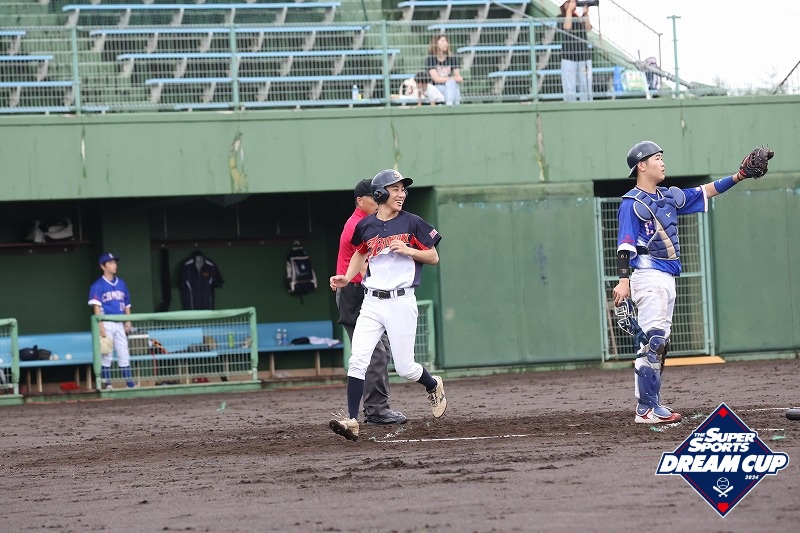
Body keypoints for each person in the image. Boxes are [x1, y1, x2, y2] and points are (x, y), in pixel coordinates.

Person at [612, 141, 768, 423]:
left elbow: (706, 191)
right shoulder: (631, 202)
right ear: (641, 166)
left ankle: (650, 405)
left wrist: (740, 175)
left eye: (662, 157)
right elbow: (625, 244)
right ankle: (646, 409)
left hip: (667, 276)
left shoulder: (668, 197)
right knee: (652, 342)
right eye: (656, 158)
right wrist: (624, 281)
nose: (662, 162)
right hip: (647, 275)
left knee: (660, 344)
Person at [328, 169, 446, 441]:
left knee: (405, 368)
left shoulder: (412, 222)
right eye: (395, 189)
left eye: (403, 190)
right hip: (371, 301)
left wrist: (409, 250)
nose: (401, 194)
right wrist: (346, 277)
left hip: (400, 302)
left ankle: (433, 384)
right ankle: (352, 421)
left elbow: (433, 256)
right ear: (380, 193)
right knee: (358, 360)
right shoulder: (366, 225)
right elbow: (360, 252)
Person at [335, 179, 407, 425]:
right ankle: (376, 410)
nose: (378, 200)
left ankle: (376, 408)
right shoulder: (359, 224)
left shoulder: (370, 222)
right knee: (374, 354)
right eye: (373, 196)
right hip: (354, 293)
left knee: (381, 351)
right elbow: (366, 263)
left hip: (362, 292)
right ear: (360, 200)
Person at [88, 252, 135, 389]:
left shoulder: (122, 283)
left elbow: (127, 304)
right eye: (110, 263)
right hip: (106, 322)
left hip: (120, 322)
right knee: (106, 354)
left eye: (114, 262)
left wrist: (128, 320)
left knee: (123, 352)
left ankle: (129, 383)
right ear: (103, 266)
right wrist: (100, 325)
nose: (114, 265)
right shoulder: (98, 285)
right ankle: (107, 383)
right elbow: (96, 306)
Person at [559, 0, 593, 102]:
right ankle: (570, 105)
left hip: (583, 56)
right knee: (569, 86)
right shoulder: (561, 17)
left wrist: (586, 14)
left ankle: (587, 104)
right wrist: (569, 10)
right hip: (568, 56)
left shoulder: (580, 17)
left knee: (586, 84)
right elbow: (567, 27)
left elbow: (588, 28)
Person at [425, 34, 462, 106]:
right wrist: (451, 79)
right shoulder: (430, 59)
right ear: (436, 43)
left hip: (451, 86)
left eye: (446, 41)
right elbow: (436, 79)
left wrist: (451, 80)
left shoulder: (452, 58)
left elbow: (459, 77)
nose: (446, 43)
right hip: (437, 87)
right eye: (443, 41)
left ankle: (449, 104)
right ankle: (454, 106)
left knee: (452, 85)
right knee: (453, 87)